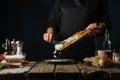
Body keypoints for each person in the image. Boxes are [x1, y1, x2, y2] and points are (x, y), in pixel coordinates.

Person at [43, 0, 111, 61]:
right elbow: (53, 22)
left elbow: (106, 23)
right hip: (62, 54)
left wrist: (98, 26)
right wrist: (50, 32)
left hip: (86, 55)